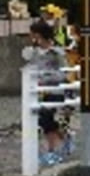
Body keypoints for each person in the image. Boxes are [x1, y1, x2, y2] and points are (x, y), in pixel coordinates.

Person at [24, 18, 71, 165]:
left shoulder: (57, 52)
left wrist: (47, 77)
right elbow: (29, 66)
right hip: (38, 91)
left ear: (39, 35)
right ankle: (63, 139)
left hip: (55, 90)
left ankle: (53, 150)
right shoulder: (32, 52)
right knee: (43, 121)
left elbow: (65, 72)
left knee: (47, 118)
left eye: (33, 35)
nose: (31, 38)